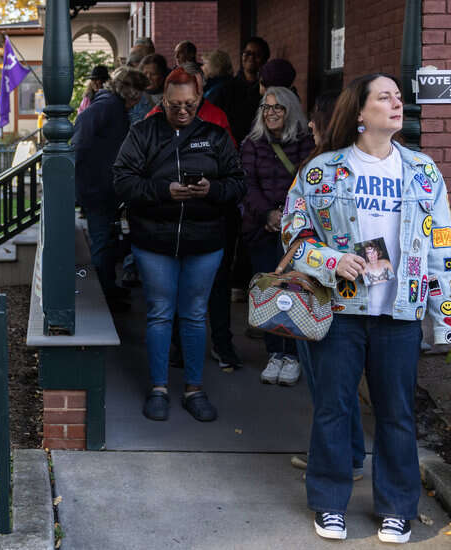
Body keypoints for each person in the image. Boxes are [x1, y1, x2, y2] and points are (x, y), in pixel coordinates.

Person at [280, 73, 451, 544]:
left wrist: (445, 316)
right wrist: (332, 259)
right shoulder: (322, 171)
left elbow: (443, 245)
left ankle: (397, 509)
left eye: (399, 97)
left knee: (397, 414)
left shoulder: (423, 172)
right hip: (340, 311)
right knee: (333, 410)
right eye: (385, 97)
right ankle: (328, 502)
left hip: (399, 314)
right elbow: (293, 235)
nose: (397, 104)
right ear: (360, 113)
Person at [114, 67, 246, 423]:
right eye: (175, 105)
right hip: (154, 239)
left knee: (193, 314)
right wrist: (162, 191)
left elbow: (237, 183)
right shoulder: (142, 133)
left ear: (200, 100)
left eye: (189, 104)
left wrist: (212, 190)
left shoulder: (216, 136)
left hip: (204, 240)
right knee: (159, 312)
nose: (183, 111)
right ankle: (158, 388)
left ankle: (194, 388)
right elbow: (122, 181)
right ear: (163, 100)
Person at [289, 89, 367, 485]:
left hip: (319, 290)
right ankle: (348, 454)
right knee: (341, 386)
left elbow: (297, 235)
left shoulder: (319, 169)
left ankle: (339, 458)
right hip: (361, 291)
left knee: (326, 385)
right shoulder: (368, 167)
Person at [239, 87, 314, 385]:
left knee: (296, 290)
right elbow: (246, 184)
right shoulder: (251, 144)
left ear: (290, 110)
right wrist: (268, 215)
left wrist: (287, 218)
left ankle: (293, 354)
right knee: (269, 291)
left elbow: (309, 184)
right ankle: (274, 353)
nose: (270, 113)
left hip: (296, 230)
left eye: (278, 108)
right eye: (266, 108)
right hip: (262, 227)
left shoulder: (306, 144)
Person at [74, 67, 150, 310]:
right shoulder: (108, 106)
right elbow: (81, 135)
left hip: (103, 186)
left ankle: (109, 287)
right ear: (129, 92)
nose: (139, 100)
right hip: (97, 188)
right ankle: (104, 294)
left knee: (106, 239)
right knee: (101, 241)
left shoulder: (111, 105)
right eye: (138, 94)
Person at [225, 36, 269, 146]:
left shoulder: (269, 89)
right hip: (233, 147)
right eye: (247, 53)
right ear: (242, 55)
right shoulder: (227, 87)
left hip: (262, 148)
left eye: (257, 54)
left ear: (265, 59)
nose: (251, 57)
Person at [131, 53, 168, 123]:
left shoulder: (171, 97)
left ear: (162, 76)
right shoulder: (133, 97)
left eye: (153, 74)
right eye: (145, 74)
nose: (148, 77)